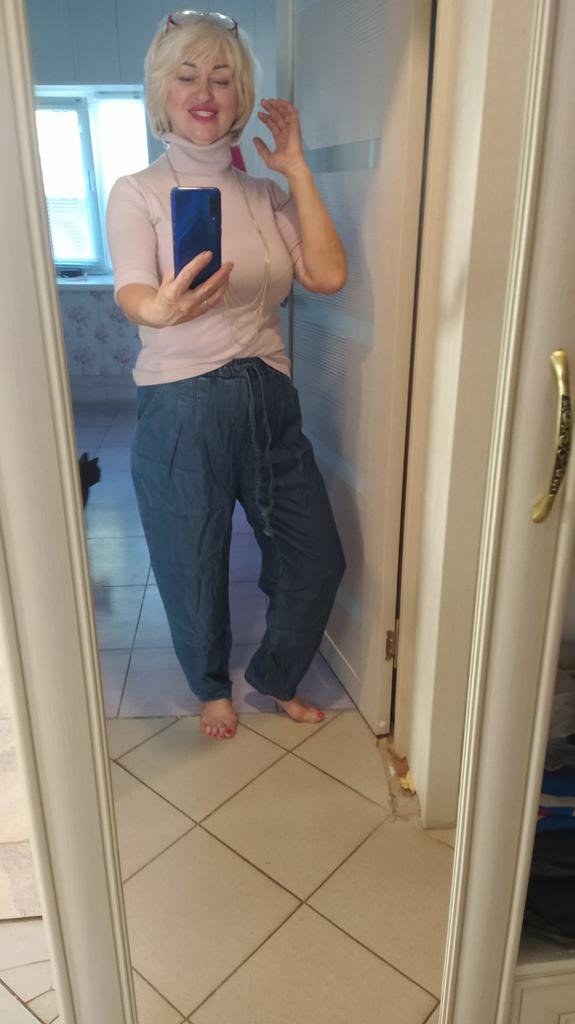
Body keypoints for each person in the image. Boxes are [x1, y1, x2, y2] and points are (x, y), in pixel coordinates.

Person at [106, 10, 347, 741]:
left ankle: (275, 675)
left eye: (222, 77)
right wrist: (161, 308)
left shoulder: (265, 196)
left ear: (240, 96)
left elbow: (327, 275)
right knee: (192, 561)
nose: (204, 92)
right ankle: (211, 687)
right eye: (187, 76)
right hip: (181, 403)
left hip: (269, 396)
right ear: (162, 92)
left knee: (315, 558)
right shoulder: (137, 191)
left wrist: (296, 169)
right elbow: (132, 290)